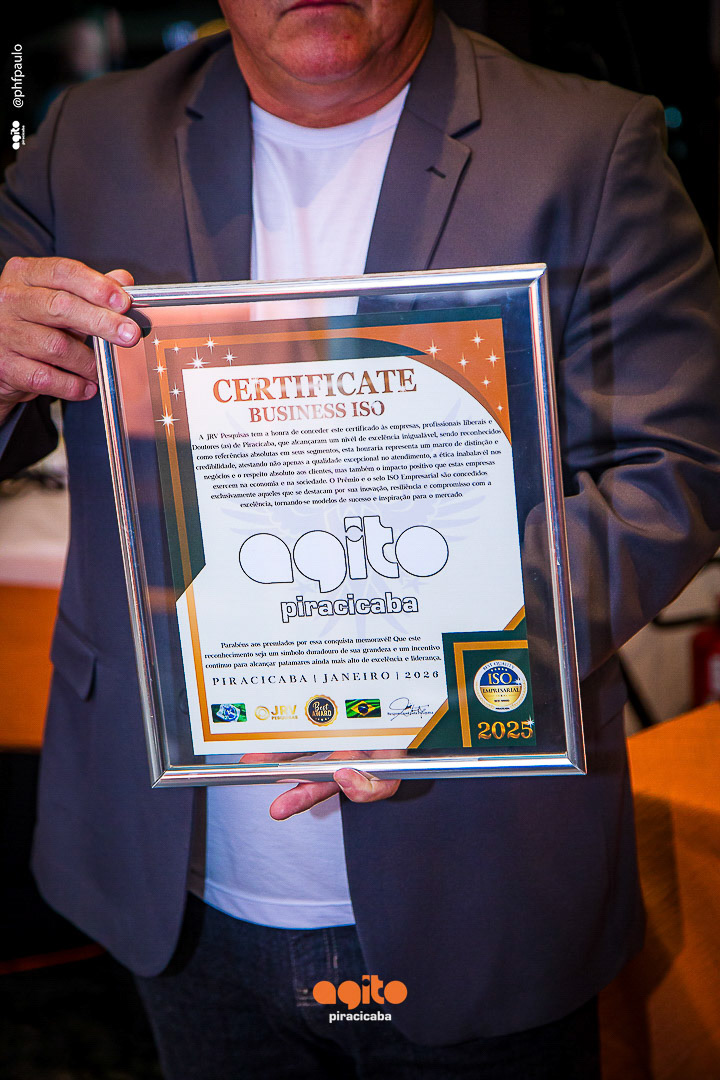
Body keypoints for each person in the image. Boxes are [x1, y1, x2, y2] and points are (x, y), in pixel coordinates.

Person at [1, 2, 719, 1077]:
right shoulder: (86, 140)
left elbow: (675, 466)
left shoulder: (586, 144)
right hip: (174, 881)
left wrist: (435, 669)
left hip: (482, 879)